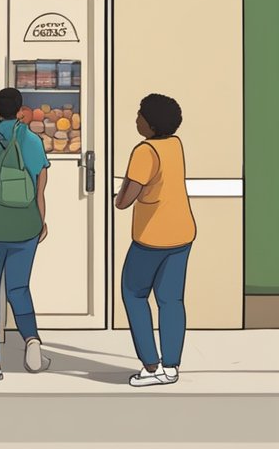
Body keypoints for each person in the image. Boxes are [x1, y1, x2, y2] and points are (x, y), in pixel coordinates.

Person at [0, 87, 51, 381]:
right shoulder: (32, 140)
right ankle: (32, 340)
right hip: (25, 225)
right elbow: (41, 183)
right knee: (19, 289)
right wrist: (41, 220)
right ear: (20, 111)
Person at [115, 94, 195, 387]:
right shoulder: (175, 145)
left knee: (133, 294)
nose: (136, 119)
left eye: (140, 115)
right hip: (182, 232)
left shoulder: (144, 151)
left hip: (152, 237)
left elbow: (126, 199)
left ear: (150, 123)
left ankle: (150, 367)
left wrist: (117, 198)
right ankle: (171, 367)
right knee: (171, 300)